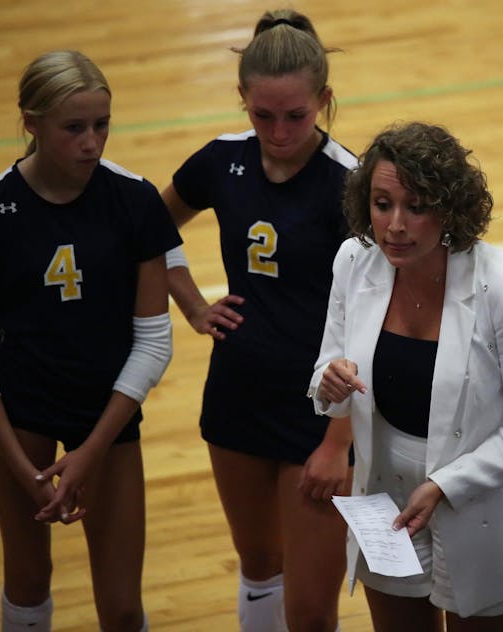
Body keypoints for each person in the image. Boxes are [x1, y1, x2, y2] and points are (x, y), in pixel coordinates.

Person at [0, 50, 181, 632]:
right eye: (73, 128)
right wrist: (20, 465)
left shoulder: (133, 201)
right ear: (31, 123)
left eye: (102, 124)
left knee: (124, 606)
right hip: (19, 411)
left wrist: (92, 449)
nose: (92, 143)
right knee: (27, 582)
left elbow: (154, 342)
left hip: (107, 410)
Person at [308, 121, 503, 632]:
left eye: (417, 207)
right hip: (385, 498)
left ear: (450, 209)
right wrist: (329, 382)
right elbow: (327, 367)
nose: (395, 226)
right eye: (383, 204)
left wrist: (446, 486)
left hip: (484, 502)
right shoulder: (354, 262)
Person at [161, 9, 357, 632]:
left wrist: (341, 439)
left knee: (309, 609)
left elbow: (379, 315)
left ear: (323, 101)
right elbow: (148, 227)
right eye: (261, 114)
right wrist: (192, 303)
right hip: (237, 394)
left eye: (295, 115)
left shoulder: (351, 183)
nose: (277, 130)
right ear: (241, 97)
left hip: (319, 411)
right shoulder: (222, 160)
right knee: (257, 568)